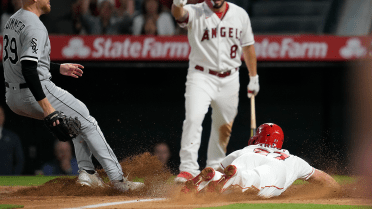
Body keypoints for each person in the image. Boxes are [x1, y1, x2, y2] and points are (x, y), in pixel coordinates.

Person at [2, 0, 143, 192]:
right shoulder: (35, 25)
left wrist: (59, 67)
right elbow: (28, 68)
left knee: (76, 122)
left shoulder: (12, 20)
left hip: (12, 96)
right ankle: (118, 181)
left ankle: (88, 173)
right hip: (33, 90)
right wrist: (48, 109)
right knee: (87, 120)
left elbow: (22, 61)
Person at [171, 0, 259, 183]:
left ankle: (214, 167)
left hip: (231, 77)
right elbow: (179, 14)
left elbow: (248, 46)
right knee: (194, 118)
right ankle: (188, 168)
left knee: (223, 126)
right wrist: (176, 3)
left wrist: (253, 77)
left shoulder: (239, 14)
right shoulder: (195, 11)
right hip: (201, 75)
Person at [182, 123, 341, 198]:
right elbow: (322, 178)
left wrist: (216, 173)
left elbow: (220, 167)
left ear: (257, 137)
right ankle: (234, 177)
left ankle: (212, 180)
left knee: (227, 176)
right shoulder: (292, 159)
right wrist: (339, 191)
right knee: (256, 180)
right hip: (276, 165)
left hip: (245, 158)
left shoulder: (244, 149)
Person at [0, 105, 24, 175]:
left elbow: (20, 161)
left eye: (1, 114)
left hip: (8, 180)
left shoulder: (13, 137)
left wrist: (14, 178)